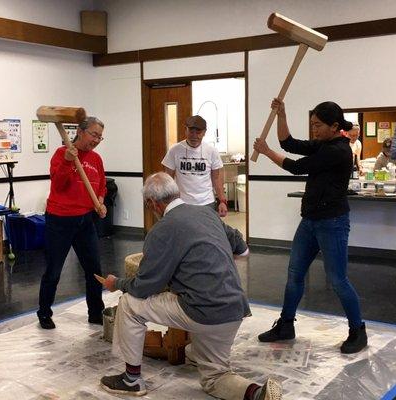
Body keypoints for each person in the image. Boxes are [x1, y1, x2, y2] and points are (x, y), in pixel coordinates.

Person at [99, 172, 282, 400]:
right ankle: (257, 393)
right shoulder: (207, 213)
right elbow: (243, 250)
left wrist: (116, 283)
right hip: (234, 308)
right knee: (215, 378)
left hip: (202, 312)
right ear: (177, 193)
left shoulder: (162, 229)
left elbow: (145, 286)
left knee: (129, 303)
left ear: (152, 203)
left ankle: (131, 380)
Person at [253, 99, 367, 354]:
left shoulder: (338, 150)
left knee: (338, 279)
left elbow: (295, 167)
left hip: (333, 223)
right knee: (295, 274)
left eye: (317, 125)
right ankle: (285, 324)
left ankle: (358, 330)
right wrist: (282, 114)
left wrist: (266, 151)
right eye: (312, 124)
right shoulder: (323, 144)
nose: (313, 130)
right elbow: (289, 143)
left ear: (334, 126)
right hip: (310, 221)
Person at [37, 117, 107, 330]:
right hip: (60, 219)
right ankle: (44, 313)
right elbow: (58, 184)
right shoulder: (62, 154)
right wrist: (68, 161)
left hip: (85, 219)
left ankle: (96, 313)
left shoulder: (96, 159)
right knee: (54, 269)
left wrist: (100, 202)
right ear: (80, 131)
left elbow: (101, 185)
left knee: (94, 268)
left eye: (99, 137)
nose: (96, 140)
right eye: (93, 134)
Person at [162, 115, 228, 217]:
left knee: (205, 231)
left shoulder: (211, 151)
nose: (194, 136)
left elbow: (216, 178)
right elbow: (168, 178)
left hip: (206, 203)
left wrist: (222, 201)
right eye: (191, 132)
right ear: (186, 130)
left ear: (204, 132)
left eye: (198, 133)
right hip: (182, 203)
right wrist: (166, 201)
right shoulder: (175, 150)